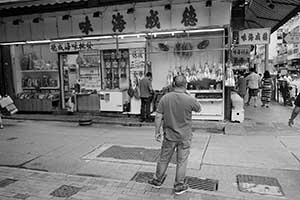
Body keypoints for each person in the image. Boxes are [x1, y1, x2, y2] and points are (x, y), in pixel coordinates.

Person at [148, 75, 201, 195]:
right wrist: (187, 93)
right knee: (182, 161)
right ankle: (179, 185)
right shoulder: (189, 99)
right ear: (185, 85)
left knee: (164, 158)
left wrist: (157, 132)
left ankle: (157, 180)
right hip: (185, 137)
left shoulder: (165, 98)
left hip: (169, 135)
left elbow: (158, 116)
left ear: (173, 84)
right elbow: (198, 108)